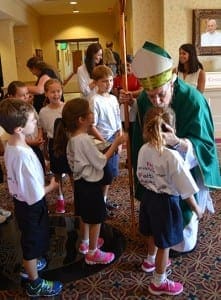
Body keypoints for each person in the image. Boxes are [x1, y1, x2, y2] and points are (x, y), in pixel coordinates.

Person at [120, 41, 221, 256]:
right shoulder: (146, 101)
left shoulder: (194, 101)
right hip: (158, 175)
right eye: (150, 95)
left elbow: (205, 145)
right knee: (158, 212)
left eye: (160, 94)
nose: (156, 101)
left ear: (172, 81)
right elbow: (139, 138)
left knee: (183, 238)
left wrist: (177, 142)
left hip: (187, 169)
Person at [0, 98, 63, 297]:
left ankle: (31, 264)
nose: (36, 122)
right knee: (32, 241)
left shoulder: (11, 145)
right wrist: (51, 186)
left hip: (22, 203)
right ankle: (34, 281)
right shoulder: (22, 155)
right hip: (31, 204)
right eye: (32, 121)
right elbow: (34, 194)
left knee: (31, 236)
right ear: (19, 129)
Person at [137, 106, 202, 296]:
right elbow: (185, 188)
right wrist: (197, 208)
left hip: (148, 198)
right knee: (164, 243)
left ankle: (150, 260)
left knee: (152, 232)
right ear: (171, 128)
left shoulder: (143, 149)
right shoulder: (172, 156)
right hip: (166, 203)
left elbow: (141, 175)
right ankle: (158, 281)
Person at [54, 98, 127, 264]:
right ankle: (93, 253)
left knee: (85, 215)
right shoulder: (84, 140)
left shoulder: (73, 138)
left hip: (80, 184)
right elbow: (101, 161)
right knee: (96, 219)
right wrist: (116, 143)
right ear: (81, 119)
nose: (93, 114)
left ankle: (86, 243)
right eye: (90, 112)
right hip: (90, 185)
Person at [89, 65, 122, 215]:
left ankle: (104, 199)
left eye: (110, 80)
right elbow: (91, 126)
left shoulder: (114, 98)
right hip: (101, 140)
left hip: (114, 137)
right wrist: (107, 143)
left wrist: (119, 138)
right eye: (104, 81)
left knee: (111, 174)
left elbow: (117, 119)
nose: (108, 84)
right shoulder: (94, 100)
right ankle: (99, 203)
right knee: (104, 175)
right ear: (95, 82)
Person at [39, 78, 73, 213]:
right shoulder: (43, 111)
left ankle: (77, 198)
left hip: (68, 143)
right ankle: (60, 198)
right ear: (46, 93)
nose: (56, 94)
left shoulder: (66, 108)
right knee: (57, 173)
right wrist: (45, 149)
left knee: (72, 172)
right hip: (54, 144)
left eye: (58, 91)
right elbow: (44, 131)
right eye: (52, 92)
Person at [6, 80, 45, 172]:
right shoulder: (13, 114)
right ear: (12, 97)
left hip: (36, 143)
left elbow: (39, 123)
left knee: (40, 165)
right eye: (22, 95)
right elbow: (16, 133)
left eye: (27, 93)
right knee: (28, 168)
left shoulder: (31, 107)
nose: (26, 96)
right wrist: (31, 142)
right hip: (24, 145)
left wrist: (39, 136)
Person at [113, 54, 142, 145]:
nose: (125, 67)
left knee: (133, 128)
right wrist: (119, 94)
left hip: (134, 105)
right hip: (122, 107)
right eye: (123, 65)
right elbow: (115, 93)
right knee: (123, 128)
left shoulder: (137, 77)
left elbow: (142, 90)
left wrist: (131, 94)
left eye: (128, 65)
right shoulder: (117, 79)